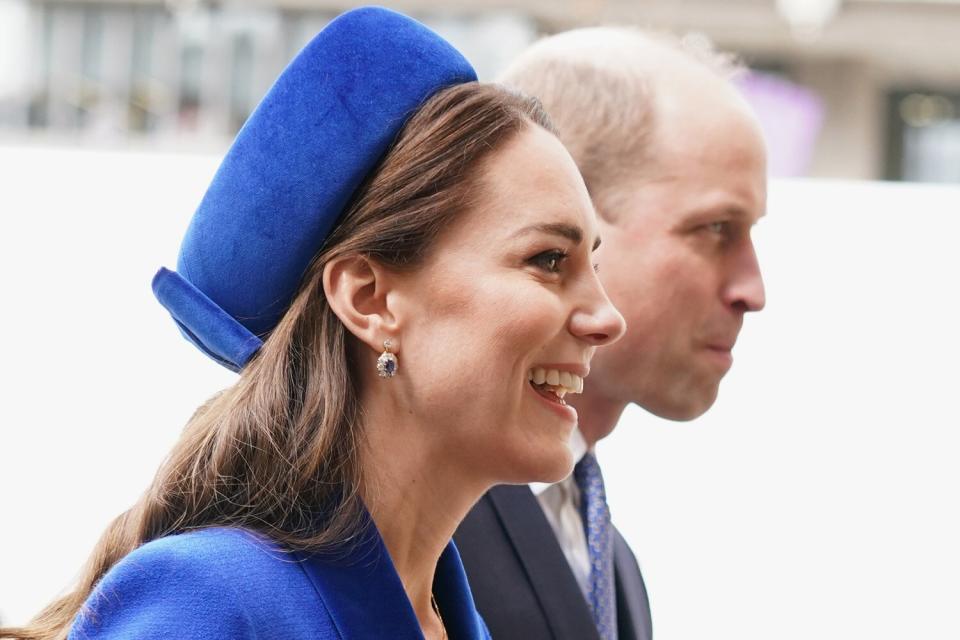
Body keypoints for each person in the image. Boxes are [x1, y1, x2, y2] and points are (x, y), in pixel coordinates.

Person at [0, 8, 625, 640]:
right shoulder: (215, 606)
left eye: (594, 267)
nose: (607, 318)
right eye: (549, 260)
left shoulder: (457, 625)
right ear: (370, 300)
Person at [455, 27, 767, 640]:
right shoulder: (409, 534)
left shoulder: (607, 554)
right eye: (716, 229)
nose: (752, 290)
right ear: (563, 203)